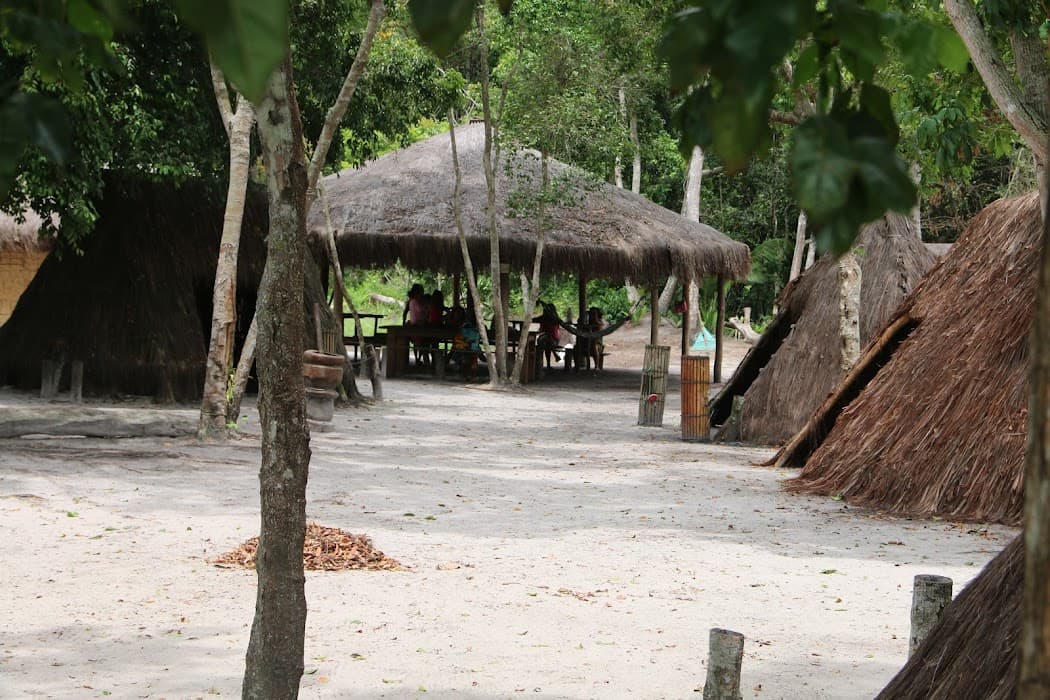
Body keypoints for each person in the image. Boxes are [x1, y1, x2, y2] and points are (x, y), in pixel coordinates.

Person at [533, 302, 562, 370]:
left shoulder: (555, 319)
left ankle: (549, 363)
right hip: (545, 339)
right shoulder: (544, 318)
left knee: (547, 339)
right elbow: (533, 319)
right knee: (546, 339)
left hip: (553, 339)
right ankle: (554, 355)